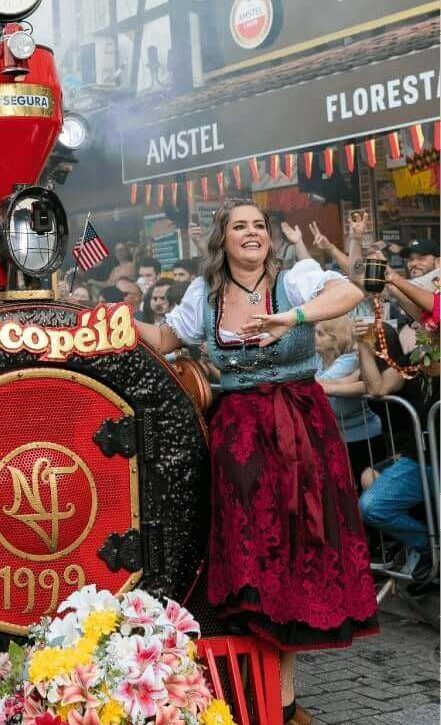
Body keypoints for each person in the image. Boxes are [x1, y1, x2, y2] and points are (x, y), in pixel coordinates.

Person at [135, 198, 375, 725]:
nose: (251, 233)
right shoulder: (205, 294)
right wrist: (115, 321)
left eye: (258, 226)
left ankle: (283, 696)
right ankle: (267, 692)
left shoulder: (297, 279)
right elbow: (164, 338)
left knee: (298, 546)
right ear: (222, 239)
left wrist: (290, 318)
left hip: (303, 426)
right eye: (239, 226)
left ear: (269, 237)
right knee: (253, 551)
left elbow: (351, 291)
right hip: (241, 433)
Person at [354, 317, 436, 584]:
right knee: (372, 506)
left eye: (425, 323)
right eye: (418, 325)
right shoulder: (415, 359)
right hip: (420, 458)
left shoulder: (430, 358)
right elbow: (378, 387)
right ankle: (429, 547)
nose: (417, 329)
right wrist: (364, 347)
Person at [313, 316, 386, 492]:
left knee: (361, 491)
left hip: (363, 439)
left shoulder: (350, 360)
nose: (314, 336)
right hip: (337, 437)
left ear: (335, 338)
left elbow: (313, 385)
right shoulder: (318, 360)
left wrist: (326, 385)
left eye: (320, 333)